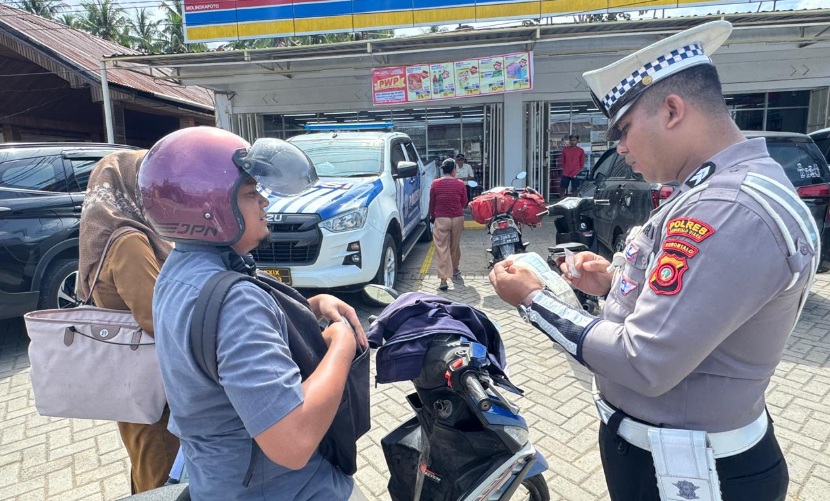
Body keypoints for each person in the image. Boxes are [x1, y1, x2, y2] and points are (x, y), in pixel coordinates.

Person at [489, 20, 818, 501]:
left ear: (671, 110)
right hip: (677, 456)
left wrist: (533, 300)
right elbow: (696, 297)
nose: (619, 147)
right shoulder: (718, 188)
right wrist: (615, 280)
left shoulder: (726, 208)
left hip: (690, 475)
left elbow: (642, 362)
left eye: (623, 129)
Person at [137, 127, 369, 500]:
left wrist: (312, 306)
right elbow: (292, 442)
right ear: (210, 207)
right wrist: (341, 343)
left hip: (222, 480)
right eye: (249, 192)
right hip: (286, 489)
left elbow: (213, 340)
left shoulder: (180, 270)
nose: (263, 202)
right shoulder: (235, 303)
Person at [77, 150, 180, 494]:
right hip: (152, 384)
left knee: (148, 464)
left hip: (135, 379)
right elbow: (157, 317)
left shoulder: (118, 232)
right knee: (162, 473)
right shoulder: (128, 241)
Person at [430, 157, 468, 291]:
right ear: (453, 170)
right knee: (454, 245)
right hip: (457, 218)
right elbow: (464, 202)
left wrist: (432, 215)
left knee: (442, 248)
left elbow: (432, 203)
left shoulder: (435, 184)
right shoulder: (460, 184)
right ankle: (455, 268)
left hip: (441, 218)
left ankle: (443, 280)